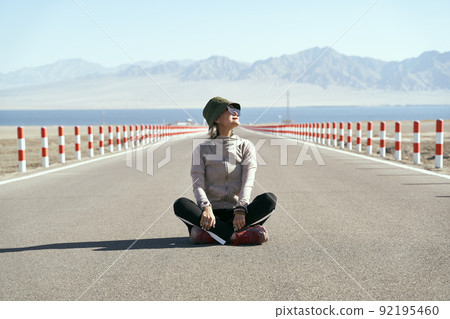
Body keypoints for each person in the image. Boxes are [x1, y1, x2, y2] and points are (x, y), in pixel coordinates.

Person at [173, 97, 277, 245]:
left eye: (237, 110)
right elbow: (198, 184)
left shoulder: (245, 146)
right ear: (216, 118)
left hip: (238, 215)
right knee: (180, 204)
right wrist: (206, 207)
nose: (236, 113)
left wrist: (241, 209)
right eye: (229, 110)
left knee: (269, 199)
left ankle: (209, 234)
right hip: (210, 215)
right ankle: (236, 236)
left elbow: (248, 181)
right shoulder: (202, 149)